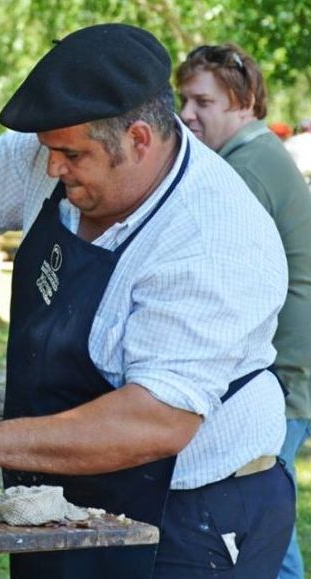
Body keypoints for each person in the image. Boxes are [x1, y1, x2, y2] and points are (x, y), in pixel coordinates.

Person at [0, 23, 293, 578]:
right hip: (63, 493)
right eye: (50, 150)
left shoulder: (214, 239)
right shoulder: (61, 150)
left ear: (139, 139)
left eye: (71, 154)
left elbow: (155, 422)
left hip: (193, 513)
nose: (51, 168)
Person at [177, 43, 311, 579]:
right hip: (283, 371)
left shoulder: (246, 168)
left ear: (245, 102)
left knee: (260, 526)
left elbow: (220, 278)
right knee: (269, 526)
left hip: (279, 375)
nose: (187, 114)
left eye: (202, 101)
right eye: (183, 99)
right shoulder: (248, 157)